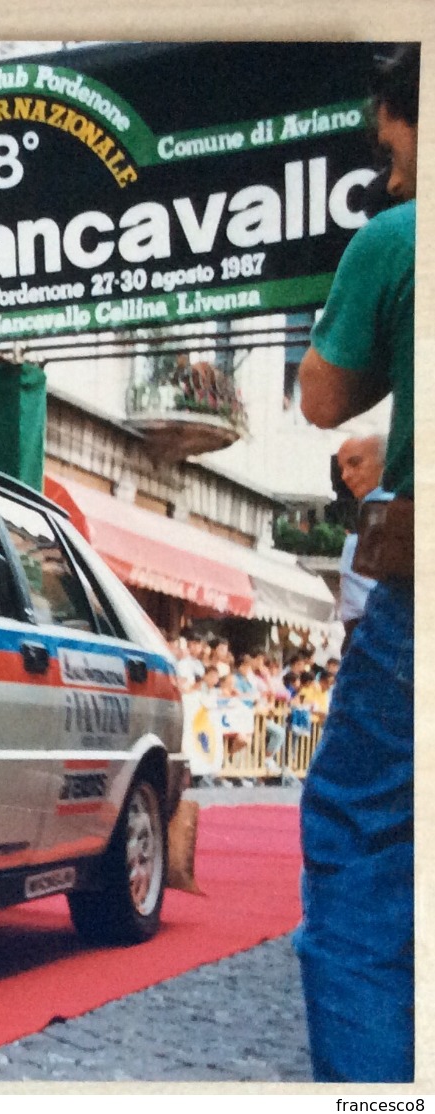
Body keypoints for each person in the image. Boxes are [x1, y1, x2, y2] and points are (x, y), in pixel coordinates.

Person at [292, 44, 416, 1084]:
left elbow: (318, 399)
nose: (386, 174)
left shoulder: (399, 237)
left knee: (361, 851)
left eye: (390, 147)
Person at [332, 433, 385, 644]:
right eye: (342, 468)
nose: (345, 476)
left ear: (385, 462)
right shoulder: (369, 513)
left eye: (355, 463)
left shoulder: (384, 510)